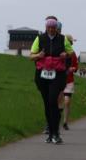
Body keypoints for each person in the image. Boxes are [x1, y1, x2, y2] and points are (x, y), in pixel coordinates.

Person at [30, 16, 74, 144]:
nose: (51, 30)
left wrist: (65, 54)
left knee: (52, 100)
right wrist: (39, 55)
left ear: (57, 28)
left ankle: (55, 132)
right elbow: (31, 56)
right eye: (49, 27)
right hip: (42, 75)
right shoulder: (39, 38)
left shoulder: (63, 39)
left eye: (53, 28)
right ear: (45, 28)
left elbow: (71, 53)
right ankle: (51, 133)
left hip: (58, 75)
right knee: (47, 103)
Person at [58, 33, 79, 131]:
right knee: (59, 102)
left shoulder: (73, 53)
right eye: (70, 42)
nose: (71, 44)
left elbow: (76, 66)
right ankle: (56, 120)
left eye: (71, 42)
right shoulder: (59, 52)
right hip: (59, 79)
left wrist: (72, 68)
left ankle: (65, 122)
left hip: (69, 80)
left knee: (67, 101)